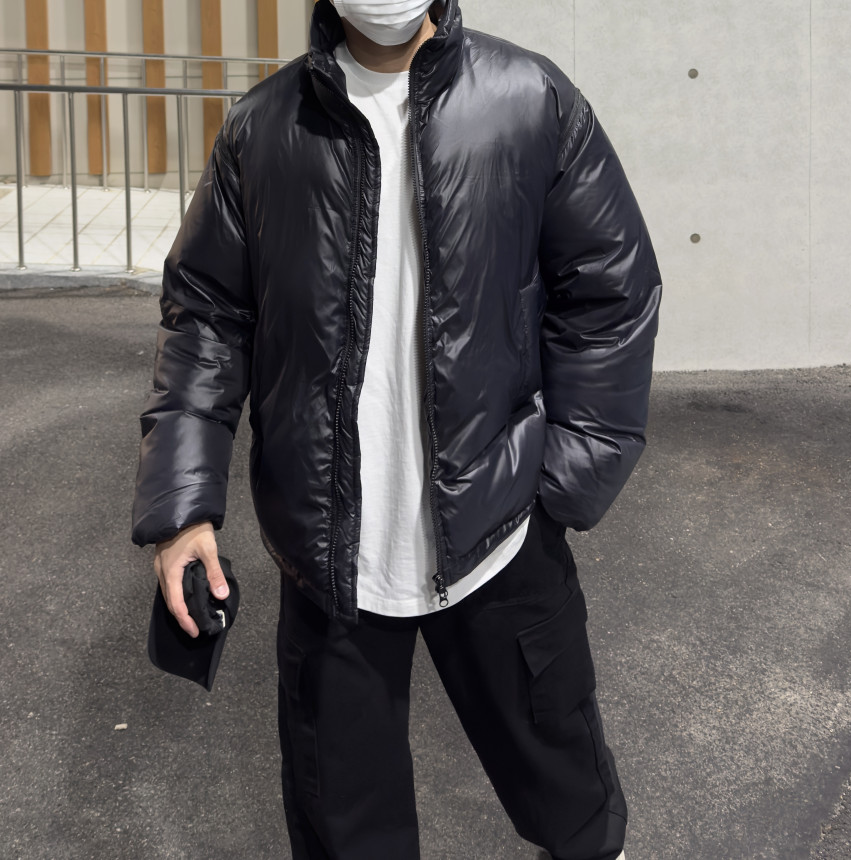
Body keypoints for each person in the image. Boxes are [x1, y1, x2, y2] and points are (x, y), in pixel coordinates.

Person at [132, 0, 660, 857]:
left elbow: (611, 292)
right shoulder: (263, 129)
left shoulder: (530, 101)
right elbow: (206, 320)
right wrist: (182, 507)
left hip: (499, 534)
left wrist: (566, 479)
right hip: (330, 559)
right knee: (347, 831)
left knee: (572, 801)